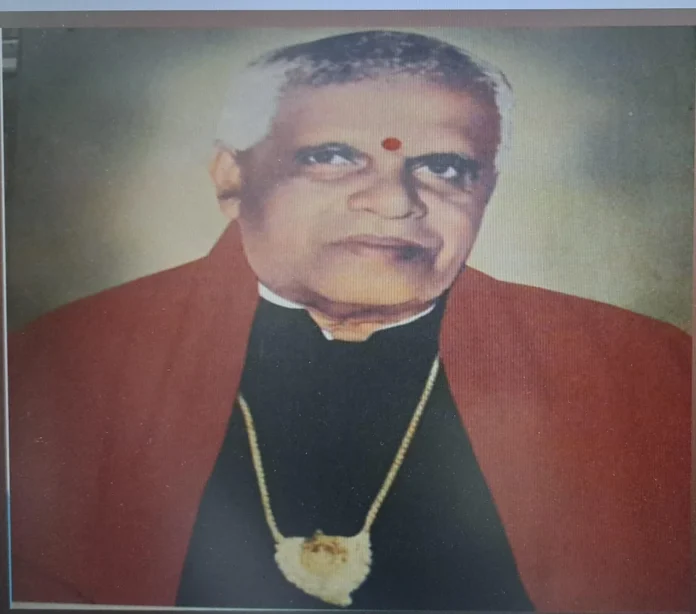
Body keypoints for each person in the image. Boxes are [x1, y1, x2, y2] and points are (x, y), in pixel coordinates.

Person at [8, 31, 690, 612]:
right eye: (333, 157)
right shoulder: (63, 359)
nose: (394, 203)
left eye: (444, 167)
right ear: (232, 178)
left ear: (487, 191)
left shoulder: (645, 368)